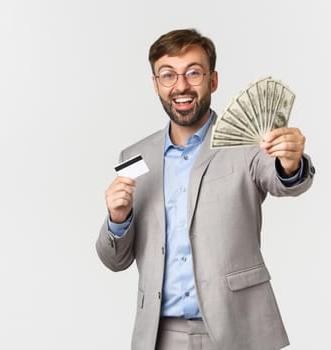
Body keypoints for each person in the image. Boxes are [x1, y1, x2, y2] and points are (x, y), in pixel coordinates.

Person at [96, 28, 315, 350]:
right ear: (155, 85)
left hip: (239, 327)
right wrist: (117, 218)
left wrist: (291, 164)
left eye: (193, 73)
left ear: (212, 81)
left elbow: (284, 180)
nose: (181, 85)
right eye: (168, 75)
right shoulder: (134, 157)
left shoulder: (248, 145)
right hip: (160, 335)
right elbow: (115, 260)